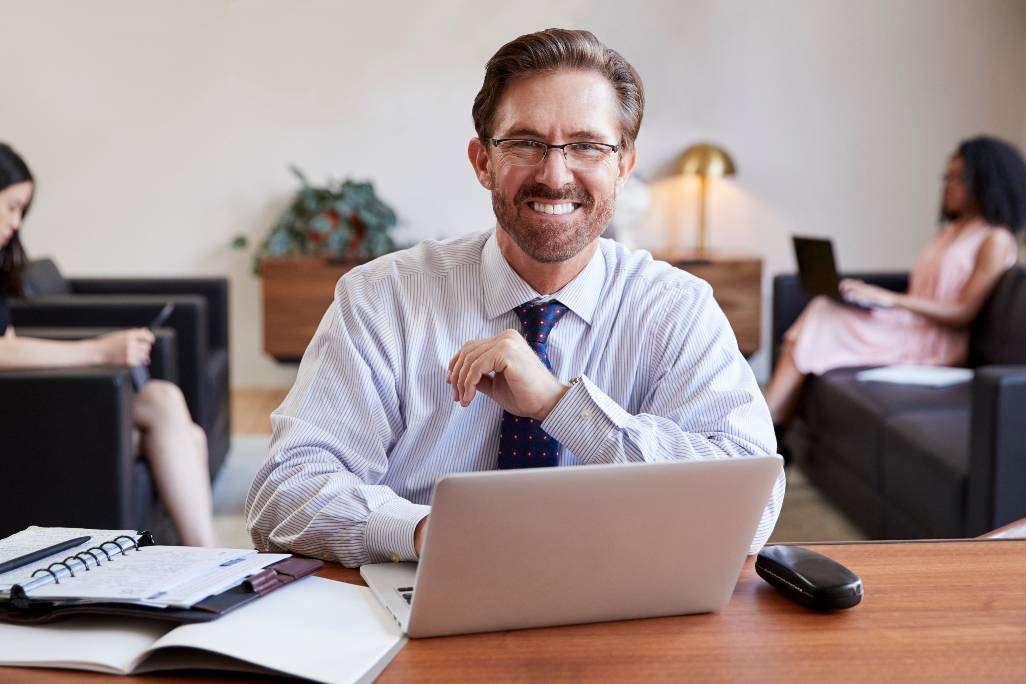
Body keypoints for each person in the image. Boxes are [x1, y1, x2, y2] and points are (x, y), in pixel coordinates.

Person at [246, 28, 785, 568]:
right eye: (526, 143)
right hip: (423, 593)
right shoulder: (382, 298)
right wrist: (431, 532)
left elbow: (752, 504)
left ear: (622, 166)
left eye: (586, 146)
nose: (555, 175)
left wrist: (560, 406)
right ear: (483, 162)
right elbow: (283, 495)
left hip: (622, 599)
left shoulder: (677, 307)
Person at [0, 142, 219, 547]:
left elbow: (8, 347)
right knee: (177, 429)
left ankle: (207, 557)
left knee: (178, 419)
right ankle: (208, 556)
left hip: (19, 403)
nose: (16, 222)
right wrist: (98, 351)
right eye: (12, 206)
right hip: (14, 419)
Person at [765, 136, 1025, 428]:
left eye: (957, 178)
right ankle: (773, 428)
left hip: (936, 341)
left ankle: (767, 423)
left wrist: (889, 299)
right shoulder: (951, 232)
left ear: (985, 180)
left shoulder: (995, 239)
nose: (947, 185)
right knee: (824, 307)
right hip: (906, 325)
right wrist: (868, 297)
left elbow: (964, 313)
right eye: (946, 176)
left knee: (823, 317)